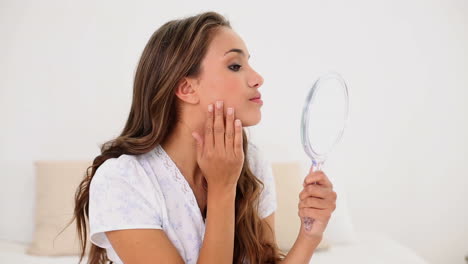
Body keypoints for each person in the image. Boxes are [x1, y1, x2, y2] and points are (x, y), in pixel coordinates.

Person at [72, 11, 337, 264]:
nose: (257, 78)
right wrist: (223, 188)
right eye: (235, 66)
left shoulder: (251, 161)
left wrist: (309, 235)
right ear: (187, 88)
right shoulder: (122, 181)